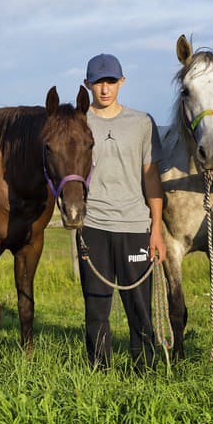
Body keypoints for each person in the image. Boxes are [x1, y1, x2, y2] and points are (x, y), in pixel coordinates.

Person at [77, 53, 167, 372]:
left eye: (111, 82)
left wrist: (156, 229)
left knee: (139, 305)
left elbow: (151, 177)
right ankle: (100, 371)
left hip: (135, 225)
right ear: (87, 84)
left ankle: (144, 368)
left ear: (122, 82)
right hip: (93, 225)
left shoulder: (142, 122)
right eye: (98, 82)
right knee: (97, 305)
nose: (105, 89)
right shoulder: (79, 122)